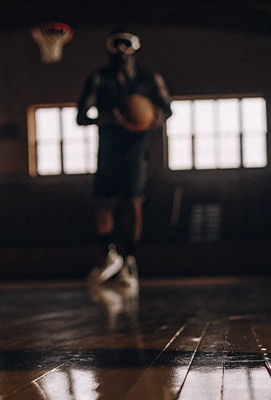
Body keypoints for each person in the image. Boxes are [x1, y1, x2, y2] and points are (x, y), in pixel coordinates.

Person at [77, 28, 172, 285]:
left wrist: (150, 119)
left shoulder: (149, 79)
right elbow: (81, 117)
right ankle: (109, 254)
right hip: (108, 149)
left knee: (133, 203)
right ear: (109, 50)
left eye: (126, 46)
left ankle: (129, 260)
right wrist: (108, 118)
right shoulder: (98, 79)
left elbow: (167, 110)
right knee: (104, 204)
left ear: (134, 49)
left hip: (136, 150)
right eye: (116, 47)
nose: (121, 52)